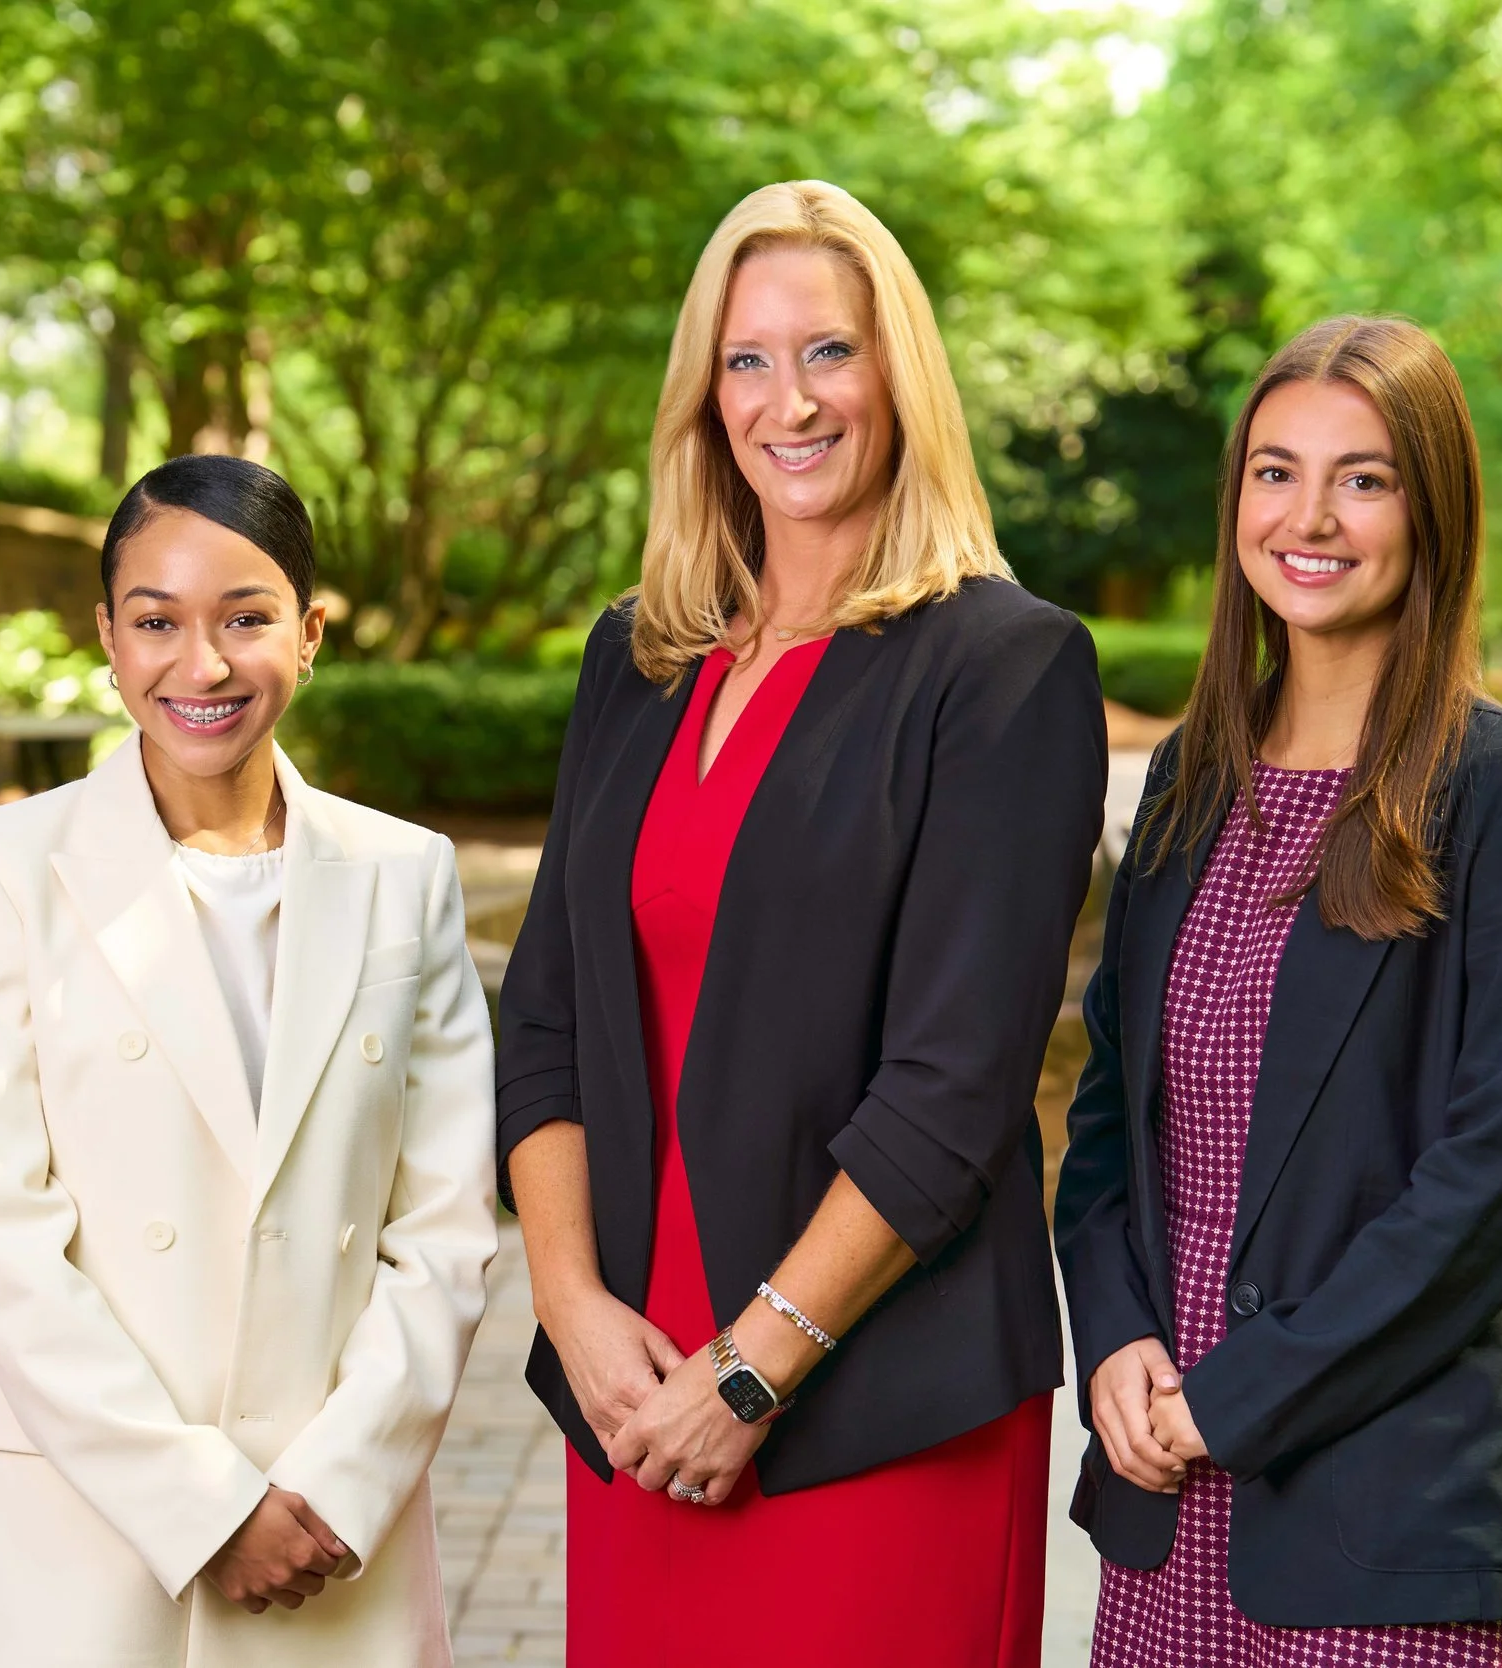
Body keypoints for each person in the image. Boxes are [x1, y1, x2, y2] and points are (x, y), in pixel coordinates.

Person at [497, 179, 1107, 1666]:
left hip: (872, 1404)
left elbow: (957, 1084)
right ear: (705, 394)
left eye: (830, 352)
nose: (791, 400)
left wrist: (757, 1370)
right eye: (748, 359)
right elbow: (548, 1019)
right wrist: (575, 1311)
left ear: (899, 374)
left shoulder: (1004, 668)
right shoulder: (635, 661)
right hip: (634, 1399)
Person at [1055, 315, 1502, 1666]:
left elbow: (1497, 1186)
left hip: (1389, 1525)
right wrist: (1117, 1337)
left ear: (1433, 509)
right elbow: (1109, 1122)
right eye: (1275, 470)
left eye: (1363, 478)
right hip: (1169, 1489)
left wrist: (1238, 1399)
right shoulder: (1196, 775)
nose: (1310, 515)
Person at [0, 453, 500, 1668]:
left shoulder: (403, 874)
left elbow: (442, 1228)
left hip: (328, 1535)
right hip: (73, 1533)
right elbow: (2, 1231)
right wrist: (206, 1509)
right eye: (156, 622)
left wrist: (333, 1487)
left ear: (312, 631)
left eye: (246, 618)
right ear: (110, 641)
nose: (202, 665)